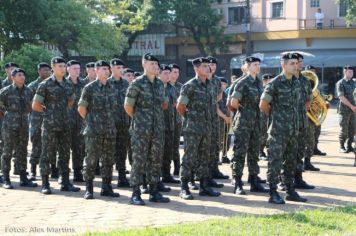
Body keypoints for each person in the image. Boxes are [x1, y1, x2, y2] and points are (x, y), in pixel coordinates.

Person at [260, 52, 307, 204]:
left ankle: (290, 191)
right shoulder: (274, 83)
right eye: (291, 64)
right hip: (278, 132)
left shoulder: (297, 82)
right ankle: (273, 192)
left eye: (296, 63)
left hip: (293, 130)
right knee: (275, 163)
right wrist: (276, 117)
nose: (295, 66)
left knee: (291, 162)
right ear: (283, 65)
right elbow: (263, 105)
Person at [124, 53, 170, 205]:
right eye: (152, 64)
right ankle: (135, 193)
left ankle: (154, 191)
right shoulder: (137, 83)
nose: (155, 67)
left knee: (156, 160)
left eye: (157, 65)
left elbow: (164, 104)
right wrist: (140, 119)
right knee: (139, 160)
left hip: (157, 128)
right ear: (144, 65)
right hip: (141, 129)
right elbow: (128, 106)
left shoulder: (159, 83)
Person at [32, 56, 80, 194]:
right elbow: (35, 105)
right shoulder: (45, 84)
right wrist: (49, 112)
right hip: (50, 125)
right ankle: (45, 183)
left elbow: (71, 101)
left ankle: (65, 182)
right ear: (52, 67)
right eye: (60, 66)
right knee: (47, 154)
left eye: (64, 66)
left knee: (65, 154)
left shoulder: (68, 84)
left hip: (65, 124)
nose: (63, 69)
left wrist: (62, 111)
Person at [177, 57, 221, 200]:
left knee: (204, 157)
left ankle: (204, 186)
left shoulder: (212, 85)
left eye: (208, 66)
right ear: (196, 69)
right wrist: (191, 119)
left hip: (207, 127)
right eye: (204, 66)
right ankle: (184, 187)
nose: (207, 68)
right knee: (190, 157)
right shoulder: (189, 86)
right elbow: (180, 107)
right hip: (193, 128)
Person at [78, 60, 120, 200]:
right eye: (103, 69)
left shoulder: (112, 87)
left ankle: (106, 187)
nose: (106, 71)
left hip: (109, 130)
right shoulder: (89, 88)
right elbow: (81, 108)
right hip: (93, 131)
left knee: (108, 160)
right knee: (91, 160)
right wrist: (91, 121)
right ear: (96, 71)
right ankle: (89, 189)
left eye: (107, 69)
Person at [229, 56, 267, 195]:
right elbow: (233, 102)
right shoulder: (242, 82)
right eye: (255, 64)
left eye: (258, 64)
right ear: (248, 66)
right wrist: (245, 109)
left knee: (253, 153)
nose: (258, 67)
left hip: (256, 122)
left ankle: (254, 180)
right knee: (239, 153)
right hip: (244, 122)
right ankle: (238, 182)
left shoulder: (258, 82)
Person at [0, 68, 37, 189]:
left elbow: (32, 105)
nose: (22, 77)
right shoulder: (6, 91)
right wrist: (5, 114)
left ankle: (23, 177)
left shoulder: (28, 91)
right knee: (7, 151)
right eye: (19, 75)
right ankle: (5, 178)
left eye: (23, 75)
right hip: (9, 124)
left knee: (22, 151)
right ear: (13, 77)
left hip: (23, 124)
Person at [294, 53, 317, 189]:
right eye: (296, 62)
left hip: (302, 121)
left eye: (301, 62)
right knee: (286, 152)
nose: (299, 64)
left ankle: (298, 179)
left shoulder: (304, 80)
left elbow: (309, 100)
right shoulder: (283, 80)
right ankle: (283, 180)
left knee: (299, 150)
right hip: (286, 122)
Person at [108, 58, 130, 188]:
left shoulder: (126, 84)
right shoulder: (106, 83)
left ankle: (122, 177)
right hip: (110, 123)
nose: (120, 70)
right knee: (109, 151)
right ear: (111, 68)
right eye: (117, 68)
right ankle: (108, 178)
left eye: (121, 68)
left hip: (123, 123)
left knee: (122, 151)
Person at [206, 56, 229, 182]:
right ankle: (202, 173)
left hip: (215, 119)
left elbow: (219, 97)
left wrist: (212, 103)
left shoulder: (216, 81)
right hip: (203, 118)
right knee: (204, 147)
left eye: (214, 65)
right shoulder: (203, 80)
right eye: (209, 65)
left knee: (215, 145)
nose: (211, 67)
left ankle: (214, 170)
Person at [28, 62, 51, 180]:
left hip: (51, 120)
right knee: (36, 144)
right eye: (43, 70)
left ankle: (53, 169)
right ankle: (32, 170)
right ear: (39, 72)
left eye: (48, 70)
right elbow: (28, 103)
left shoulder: (53, 84)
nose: (46, 72)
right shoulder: (33, 86)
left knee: (51, 145)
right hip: (37, 119)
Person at [66, 60, 86, 182]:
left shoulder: (84, 84)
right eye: (74, 68)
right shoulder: (63, 83)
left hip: (80, 121)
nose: (77, 71)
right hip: (66, 120)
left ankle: (78, 172)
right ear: (68, 69)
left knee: (79, 148)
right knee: (64, 148)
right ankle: (64, 174)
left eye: (78, 68)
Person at [305, 65, 327, 156]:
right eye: (310, 71)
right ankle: (307, 154)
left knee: (317, 132)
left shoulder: (316, 83)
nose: (312, 73)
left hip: (316, 113)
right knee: (309, 134)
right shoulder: (302, 83)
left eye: (313, 71)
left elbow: (320, 95)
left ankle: (315, 148)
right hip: (307, 113)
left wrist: (325, 100)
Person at [336, 66, 356, 153]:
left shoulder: (354, 83)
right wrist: (351, 106)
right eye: (349, 72)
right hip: (344, 110)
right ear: (345, 72)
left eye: (352, 72)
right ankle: (341, 146)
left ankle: (349, 146)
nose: (351, 73)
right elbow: (341, 97)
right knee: (344, 129)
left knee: (353, 129)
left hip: (354, 110)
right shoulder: (340, 83)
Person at [168, 63, 183, 176]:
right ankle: (165, 170)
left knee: (175, 145)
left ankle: (177, 167)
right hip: (166, 120)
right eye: (173, 72)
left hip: (177, 120)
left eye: (177, 72)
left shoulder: (181, 87)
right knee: (166, 145)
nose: (176, 74)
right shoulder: (163, 86)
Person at [259, 74, 273, 161]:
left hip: (271, 115)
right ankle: (260, 151)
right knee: (262, 134)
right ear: (264, 81)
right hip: (262, 115)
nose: (269, 82)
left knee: (269, 134)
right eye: (268, 80)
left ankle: (269, 151)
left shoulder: (272, 89)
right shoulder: (261, 89)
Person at [217, 78, 231, 164]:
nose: (223, 86)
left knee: (226, 139)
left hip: (226, 120)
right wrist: (224, 117)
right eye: (221, 84)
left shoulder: (226, 95)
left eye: (224, 84)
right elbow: (216, 108)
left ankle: (224, 156)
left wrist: (229, 117)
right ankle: (217, 158)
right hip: (218, 120)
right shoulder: (217, 95)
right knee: (218, 139)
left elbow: (229, 107)